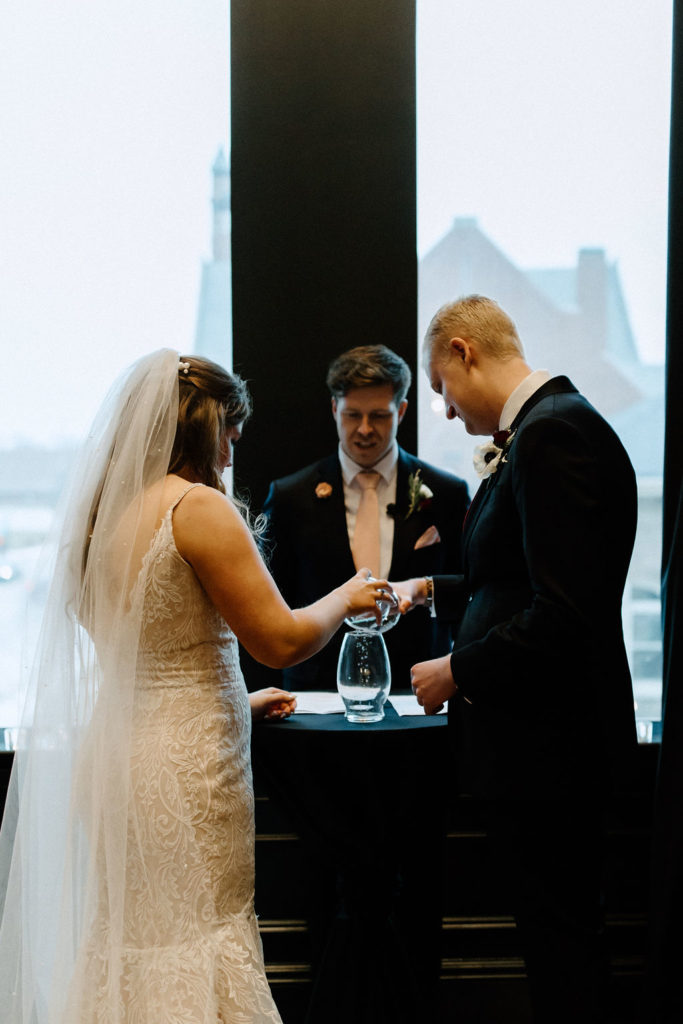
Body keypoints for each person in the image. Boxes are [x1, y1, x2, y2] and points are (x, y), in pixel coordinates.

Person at [0, 350, 387, 1023]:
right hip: (186, 767)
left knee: (131, 940)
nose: (234, 449)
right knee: (197, 935)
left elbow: (146, 657)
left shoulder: (100, 520)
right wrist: (348, 597)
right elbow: (280, 640)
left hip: (118, 755)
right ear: (204, 427)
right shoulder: (196, 507)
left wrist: (240, 701)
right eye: (230, 432)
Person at [394, 295, 640, 1023]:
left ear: (465, 351)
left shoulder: (553, 436)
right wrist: (425, 591)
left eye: (438, 387)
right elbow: (511, 583)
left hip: (554, 752)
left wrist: (455, 670)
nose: (440, 411)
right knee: (552, 941)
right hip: (539, 751)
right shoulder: (542, 430)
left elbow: (563, 615)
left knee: (561, 945)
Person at [262, 344, 469, 691]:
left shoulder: (447, 492)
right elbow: (271, 606)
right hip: (315, 694)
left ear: (401, 411)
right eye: (352, 415)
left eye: (380, 415)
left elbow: (468, 592)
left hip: (417, 691)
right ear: (334, 409)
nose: (365, 429)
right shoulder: (290, 496)